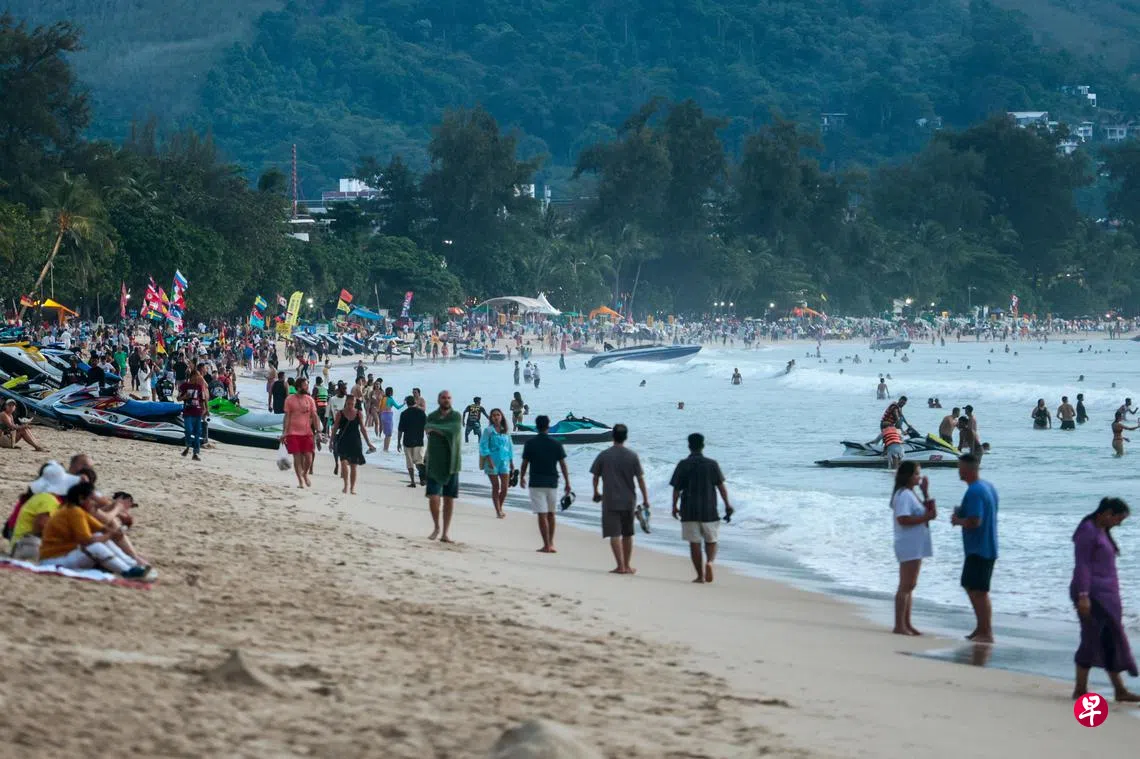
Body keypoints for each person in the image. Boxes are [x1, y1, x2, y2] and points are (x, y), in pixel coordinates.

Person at [1070, 497, 1139, 702]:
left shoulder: (1101, 530)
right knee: (1091, 639)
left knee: (1109, 641)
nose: (1119, 524)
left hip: (1107, 596)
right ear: (1108, 513)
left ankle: (1119, 690)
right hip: (1092, 596)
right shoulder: (1087, 531)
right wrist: (1083, 595)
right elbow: (1082, 565)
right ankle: (1080, 689)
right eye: (1119, 519)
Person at [38, 481, 156, 581]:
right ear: (81, 499)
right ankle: (127, 571)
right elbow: (86, 541)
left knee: (99, 536)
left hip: (63, 555)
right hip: (53, 559)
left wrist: (114, 533)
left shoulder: (76, 510)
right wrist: (111, 534)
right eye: (91, 499)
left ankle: (131, 565)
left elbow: (101, 529)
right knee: (95, 546)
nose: (94, 503)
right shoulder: (74, 512)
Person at [670, 433, 732, 584]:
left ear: (689, 446)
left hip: (689, 509)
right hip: (709, 508)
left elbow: (676, 488)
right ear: (703, 445)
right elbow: (721, 487)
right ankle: (709, 562)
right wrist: (727, 504)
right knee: (711, 540)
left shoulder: (683, 464)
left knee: (694, 542)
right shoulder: (712, 464)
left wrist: (674, 506)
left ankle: (700, 576)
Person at [951, 453, 998, 643]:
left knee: (978, 591)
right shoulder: (988, 487)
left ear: (968, 470)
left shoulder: (975, 491)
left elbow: (975, 521)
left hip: (979, 548)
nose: (958, 471)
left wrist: (957, 520)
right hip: (987, 545)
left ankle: (986, 632)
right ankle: (981, 628)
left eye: (960, 468)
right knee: (973, 587)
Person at [590, 424, 649, 575]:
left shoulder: (604, 455)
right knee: (627, 533)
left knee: (614, 533)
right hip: (628, 500)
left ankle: (620, 566)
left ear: (612, 436)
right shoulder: (632, 456)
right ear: (626, 437)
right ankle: (627, 566)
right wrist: (646, 499)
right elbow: (640, 479)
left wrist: (596, 492)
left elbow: (595, 477)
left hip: (610, 499)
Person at [890, 461, 936, 635]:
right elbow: (903, 519)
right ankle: (899, 625)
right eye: (916, 474)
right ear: (908, 476)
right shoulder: (904, 495)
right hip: (908, 543)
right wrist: (924, 518)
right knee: (906, 585)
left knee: (910, 585)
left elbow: (929, 512)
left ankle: (906, 623)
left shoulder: (910, 493)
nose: (919, 477)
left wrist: (926, 493)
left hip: (915, 543)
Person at [7, 462, 78, 560]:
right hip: (27, 545)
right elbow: (41, 525)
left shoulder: (42, 496)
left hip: (20, 543)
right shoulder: (48, 499)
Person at [520, 414, 571, 553]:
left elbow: (525, 463)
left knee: (541, 514)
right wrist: (567, 482)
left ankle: (546, 545)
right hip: (552, 482)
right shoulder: (556, 443)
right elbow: (563, 465)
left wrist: (522, 477)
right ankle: (551, 544)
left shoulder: (530, 443)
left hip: (536, 482)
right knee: (551, 514)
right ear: (548, 426)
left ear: (536, 426)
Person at [425, 391, 462, 542]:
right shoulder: (432, 416)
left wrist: (436, 429)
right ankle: (436, 527)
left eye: (449, 398)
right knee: (433, 497)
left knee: (448, 499)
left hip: (452, 462)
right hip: (434, 462)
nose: (446, 400)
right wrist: (436, 428)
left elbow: (454, 430)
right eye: (443, 398)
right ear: (438, 399)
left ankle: (445, 533)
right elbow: (427, 427)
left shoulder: (456, 416)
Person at [282, 377, 320, 488]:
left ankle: (305, 473)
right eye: (305, 385)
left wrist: (318, 431)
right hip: (292, 433)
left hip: (307, 432)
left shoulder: (310, 400)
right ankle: (300, 481)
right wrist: (284, 432)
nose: (307, 387)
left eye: (307, 385)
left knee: (309, 457)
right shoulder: (289, 399)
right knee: (297, 457)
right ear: (298, 387)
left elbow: (315, 416)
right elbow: (287, 417)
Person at [333, 397, 373, 495]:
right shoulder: (340, 413)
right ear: (346, 402)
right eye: (348, 403)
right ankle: (346, 485)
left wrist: (368, 443)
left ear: (355, 403)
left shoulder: (359, 413)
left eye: (352, 403)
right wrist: (331, 441)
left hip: (355, 441)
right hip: (343, 441)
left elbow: (363, 429)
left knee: (353, 466)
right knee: (343, 463)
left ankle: (352, 488)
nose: (350, 405)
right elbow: (335, 427)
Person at [479, 409, 514, 519]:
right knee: (495, 486)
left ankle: (500, 507)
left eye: (498, 415)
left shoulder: (505, 430)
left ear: (501, 417)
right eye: (493, 415)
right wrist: (489, 460)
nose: (496, 417)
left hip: (504, 462)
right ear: (491, 418)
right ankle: (498, 511)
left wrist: (512, 462)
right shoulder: (488, 431)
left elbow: (510, 447)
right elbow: (483, 446)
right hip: (492, 462)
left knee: (505, 488)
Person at [178, 368, 208, 460]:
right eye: (197, 376)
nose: (198, 378)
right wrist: (184, 397)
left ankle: (195, 453)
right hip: (188, 412)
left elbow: (202, 400)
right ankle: (188, 445)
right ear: (192, 376)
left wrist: (205, 410)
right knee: (188, 430)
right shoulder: (184, 386)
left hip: (198, 412)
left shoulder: (199, 387)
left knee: (197, 434)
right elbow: (178, 398)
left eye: (199, 376)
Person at [398, 395, 426, 487]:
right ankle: (423, 478)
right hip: (419, 440)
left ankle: (413, 482)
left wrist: (398, 442)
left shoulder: (404, 414)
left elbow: (400, 430)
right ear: (415, 402)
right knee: (419, 461)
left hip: (407, 441)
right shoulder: (421, 413)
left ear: (406, 403)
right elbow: (427, 427)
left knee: (409, 463)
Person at [380, 386, 403, 452]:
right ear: (391, 392)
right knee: (389, 434)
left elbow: (380, 408)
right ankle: (386, 449)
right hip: (388, 416)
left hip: (382, 415)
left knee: (386, 434)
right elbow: (398, 407)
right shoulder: (391, 399)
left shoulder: (383, 398)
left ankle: (384, 449)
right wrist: (404, 403)